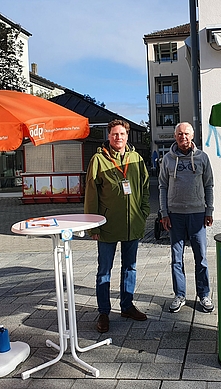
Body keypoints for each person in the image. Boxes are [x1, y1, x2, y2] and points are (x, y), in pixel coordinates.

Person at [84, 119, 150, 333]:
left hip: (132, 223)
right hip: (107, 225)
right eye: (114, 134)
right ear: (109, 136)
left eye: (121, 134)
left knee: (129, 267)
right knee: (104, 270)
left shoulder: (136, 158)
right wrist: (93, 226)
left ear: (127, 136)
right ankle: (103, 311)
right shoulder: (98, 160)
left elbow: (145, 186)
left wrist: (143, 212)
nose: (118, 137)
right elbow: (91, 195)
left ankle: (127, 306)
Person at [159, 122, 215, 313]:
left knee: (201, 257)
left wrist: (209, 210)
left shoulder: (202, 158)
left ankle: (204, 294)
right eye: (180, 134)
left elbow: (209, 185)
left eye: (186, 134)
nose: (183, 137)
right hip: (175, 215)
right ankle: (179, 294)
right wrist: (164, 213)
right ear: (175, 136)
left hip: (197, 213)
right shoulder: (167, 159)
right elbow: (162, 187)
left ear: (192, 136)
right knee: (176, 258)